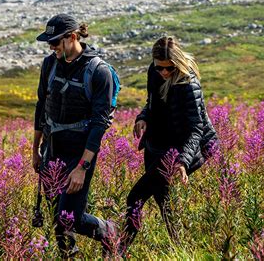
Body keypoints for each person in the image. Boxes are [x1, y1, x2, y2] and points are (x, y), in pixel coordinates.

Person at [32, 13, 116, 257]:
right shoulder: (49, 64)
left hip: (80, 153)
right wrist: (35, 149)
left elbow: (99, 124)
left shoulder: (99, 72)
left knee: (69, 218)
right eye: (49, 43)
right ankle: (70, 256)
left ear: (72, 37)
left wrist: (82, 167)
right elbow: (41, 106)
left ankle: (110, 232)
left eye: (55, 42)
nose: (51, 47)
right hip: (52, 148)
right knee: (57, 217)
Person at [123, 36, 217, 250]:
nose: (164, 72)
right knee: (165, 203)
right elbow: (152, 103)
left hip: (181, 148)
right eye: (160, 68)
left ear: (178, 63)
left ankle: (119, 249)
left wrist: (183, 161)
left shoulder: (187, 82)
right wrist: (142, 117)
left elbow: (196, 128)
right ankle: (182, 249)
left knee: (135, 197)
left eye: (170, 68)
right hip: (157, 145)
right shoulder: (153, 71)